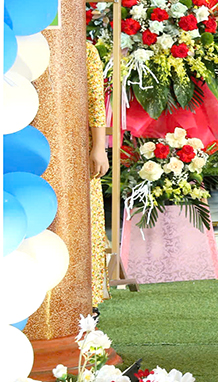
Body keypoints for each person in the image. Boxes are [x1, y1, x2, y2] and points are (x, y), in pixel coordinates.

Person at [86, 41, 110, 306]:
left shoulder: (85, 50)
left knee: (87, 219)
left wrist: (99, 147)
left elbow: (95, 101)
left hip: (77, 144)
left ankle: (89, 300)